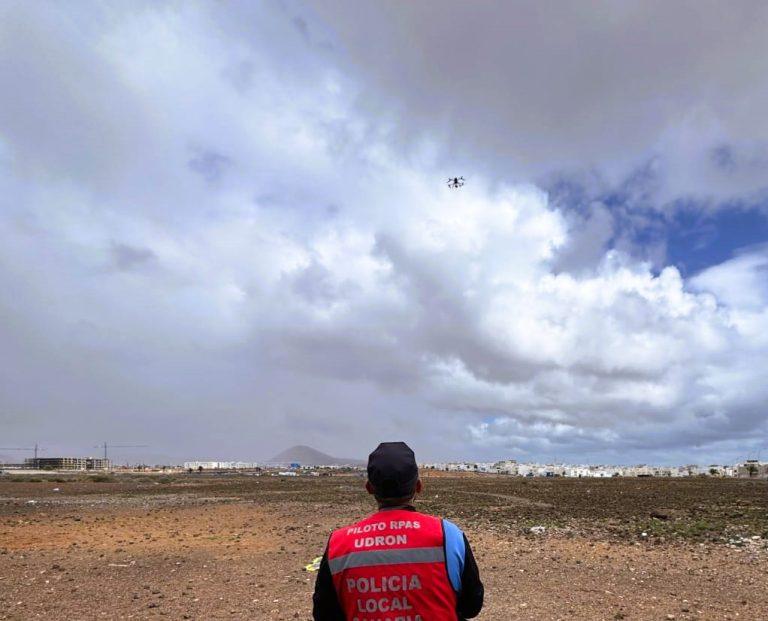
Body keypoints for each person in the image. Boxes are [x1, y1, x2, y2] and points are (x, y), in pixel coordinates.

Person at [313, 441, 484, 620]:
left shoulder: (339, 544)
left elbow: (323, 614)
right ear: (418, 486)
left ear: (369, 488)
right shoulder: (449, 535)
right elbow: (472, 605)